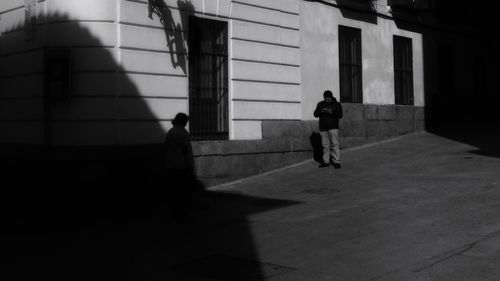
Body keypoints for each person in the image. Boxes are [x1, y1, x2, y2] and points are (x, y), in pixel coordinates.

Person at [164, 112, 196, 218]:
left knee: (173, 189)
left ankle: (174, 210)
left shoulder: (170, 132)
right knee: (181, 189)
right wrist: (191, 166)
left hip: (170, 164)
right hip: (181, 165)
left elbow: (166, 148)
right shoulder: (183, 133)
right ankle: (181, 211)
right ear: (183, 122)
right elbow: (186, 151)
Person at [313, 90, 343, 168]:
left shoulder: (337, 104)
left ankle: (337, 162)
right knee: (325, 146)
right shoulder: (320, 104)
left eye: (328, 98)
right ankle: (326, 161)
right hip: (323, 128)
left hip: (333, 127)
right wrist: (321, 110)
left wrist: (331, 112)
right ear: (324, 97)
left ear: (331, 97)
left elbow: (340, 115)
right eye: (325, 98)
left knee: (335, 144)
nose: (327, 99)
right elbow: (315, 114)